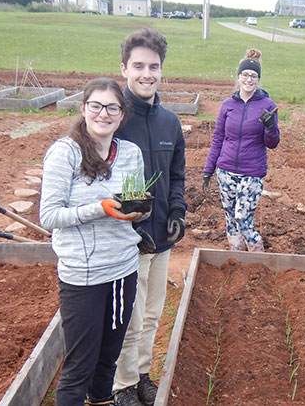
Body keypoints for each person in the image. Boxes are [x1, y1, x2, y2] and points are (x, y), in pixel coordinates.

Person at [39, 77, 145, 406]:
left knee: (107, 361)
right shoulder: (65, 153)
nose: (104, 113)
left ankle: (101, 401)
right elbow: (50, 216)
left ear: (122, 114)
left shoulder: (130, 153)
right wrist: (99, 209)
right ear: (84, 109)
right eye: (96, 106)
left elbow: (135, 200)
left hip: (123, 271)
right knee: (78, 368)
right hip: (84, 277)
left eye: (112, 107)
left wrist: (137, 213)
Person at [113, 28, 188, 406]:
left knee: (153, 313)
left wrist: (177, 212)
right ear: (124, 68)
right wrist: (131, 225)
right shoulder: (115, 119)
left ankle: (142, 374)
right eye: (138, 66)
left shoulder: (170, 122)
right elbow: (101, 180)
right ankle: (121, 384)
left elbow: (177, 174)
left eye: (153, 66)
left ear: (162, 70)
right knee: (129, 317)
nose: (147, 74)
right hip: (127, 239)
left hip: (162, 238)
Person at [202, 48, 280, 252]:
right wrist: (208, 170)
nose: (249, 79)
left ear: (258, 79)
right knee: (230, 220)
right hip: (225, 170)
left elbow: (272, 143)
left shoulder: (267, 105)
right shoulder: (227, 105)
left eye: (253, 76)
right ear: (239, 77)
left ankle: (257, 255)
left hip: (252, 172)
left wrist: (271, 126)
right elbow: (218, 138)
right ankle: (238, 261)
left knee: (242, 218)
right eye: (245, 74)